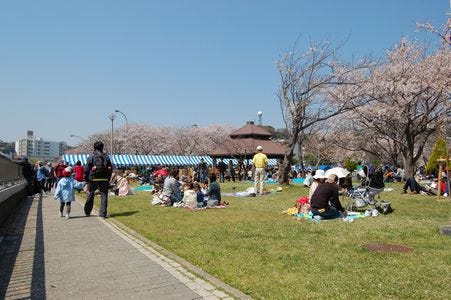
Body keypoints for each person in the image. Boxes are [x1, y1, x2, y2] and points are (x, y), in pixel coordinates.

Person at [83, 141, 113, 218]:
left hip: (93, 178)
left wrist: (87, 179)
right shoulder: (106, 157)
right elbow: (110, 168)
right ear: (102, 148)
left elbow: (86, 169)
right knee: (104, 196)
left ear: (94, 147)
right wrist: (108, 178)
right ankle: (103, 214)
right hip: (104, 179)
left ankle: (87, 211)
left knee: (91, 194)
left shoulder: (91, 156)